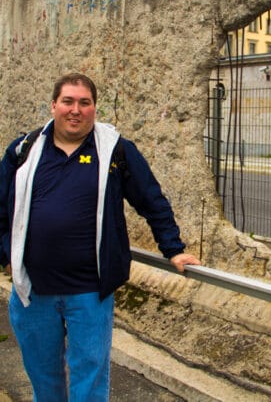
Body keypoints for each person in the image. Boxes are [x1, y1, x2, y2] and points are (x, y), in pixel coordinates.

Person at [0, 73, 201, 401]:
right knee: (43, 379)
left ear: (95, 108)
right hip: (32, 292)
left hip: (90, 293)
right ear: (53, 106)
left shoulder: (116, 151)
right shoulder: (24, 150)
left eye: (84, 102)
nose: (75, 110)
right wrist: (6, 253)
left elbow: (151, 199)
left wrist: (173, 249)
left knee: (90, 380)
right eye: (68, 101)